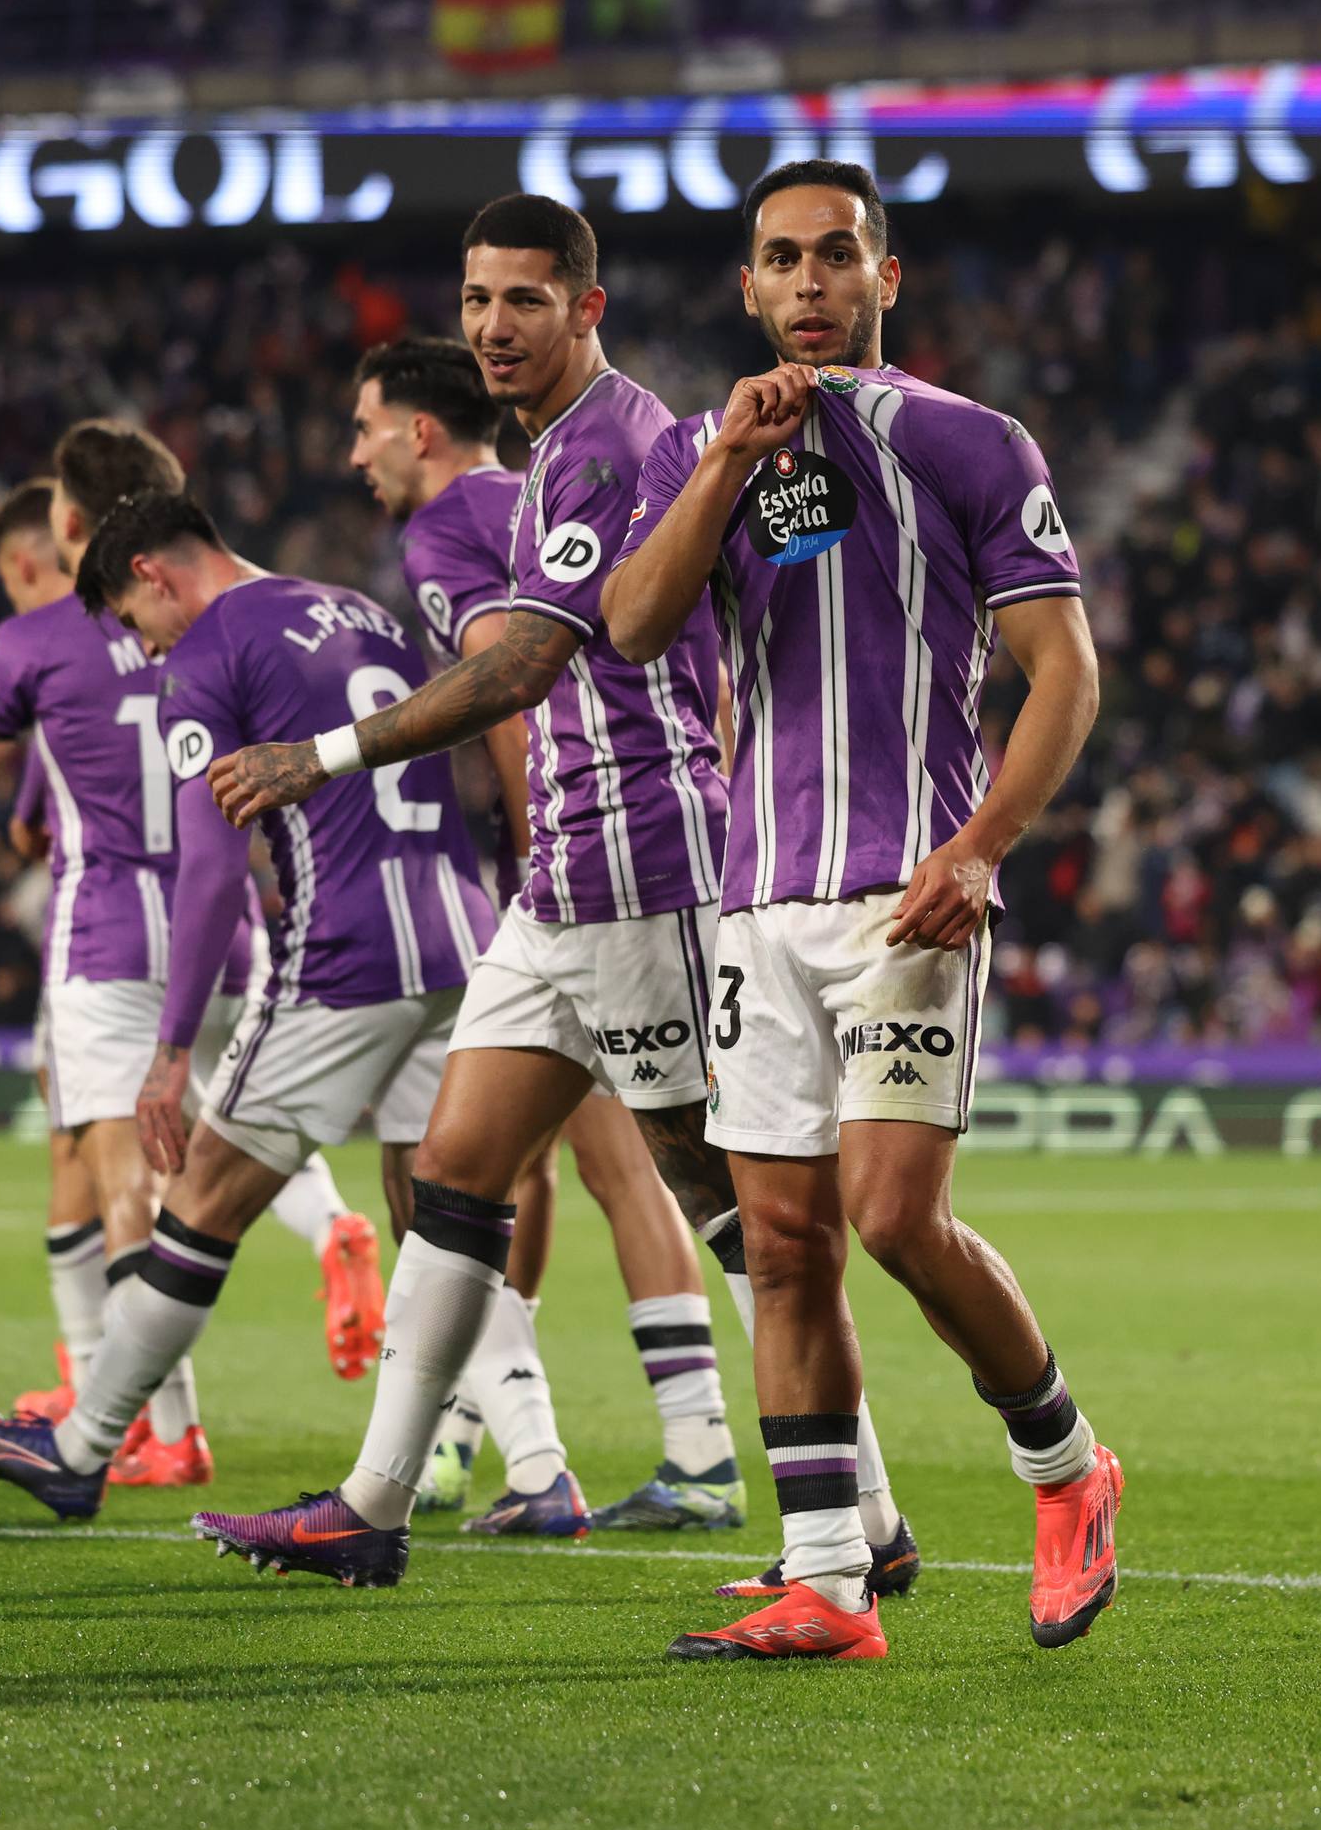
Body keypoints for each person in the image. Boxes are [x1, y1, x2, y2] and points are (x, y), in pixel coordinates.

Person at [196, 195, 912, 1591]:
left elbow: (521, 667)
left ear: (586, 309)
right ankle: (374, 1505)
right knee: (456, 1174)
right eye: (474, 301)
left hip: (647, 869)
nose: (490, 327)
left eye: (523, 300)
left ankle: (861, 1521)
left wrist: (317, 755)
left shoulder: (605, 444)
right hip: (561, 882)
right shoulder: (538, 458)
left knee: (734, 1209)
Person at [600, 160, 1120, 1662]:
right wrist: (720, 469)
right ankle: (828, 1579)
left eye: (838, 257)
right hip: (754, 902)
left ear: (884, 279)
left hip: (910, 897)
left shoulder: (967, 441)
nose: (811, 284)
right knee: (780, 1245)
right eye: (782, 261)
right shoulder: (703, 451)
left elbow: (1063, 674)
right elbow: (631, 629)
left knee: (892, 1218)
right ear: (746, 289)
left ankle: (1065, 1466)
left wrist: (978, 848)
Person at [0, 426, 490, 1539]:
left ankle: (84, 1449)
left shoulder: (206, 656)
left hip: (344, 956)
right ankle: (400, 1485)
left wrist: (171, 1050)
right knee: (447, 1215)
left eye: (133, 622)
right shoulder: (357, 608)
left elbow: (207, 871)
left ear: (150, 572)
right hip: (460, 942)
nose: (143, 649)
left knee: (201, 1199)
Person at [0, 453, 377, 1489]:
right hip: (241, 939)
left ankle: (152, 1425)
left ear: (73, 525)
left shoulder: (39, 643)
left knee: (122, 1168)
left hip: (110, 937)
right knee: (234, 1134)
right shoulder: (276, 622)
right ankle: (333, 1228)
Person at [349, 335, 740, 1533]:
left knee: (634, 1179)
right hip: (621, 859)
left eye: (365, 427)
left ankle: (719, 1467)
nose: (354, 452)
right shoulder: (539, 488)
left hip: (597, 868)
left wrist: (540, 860)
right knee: (533, 1168)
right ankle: (467, 1457)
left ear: (420, 430)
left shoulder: (445, 530)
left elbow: (517, 698)